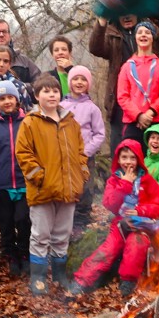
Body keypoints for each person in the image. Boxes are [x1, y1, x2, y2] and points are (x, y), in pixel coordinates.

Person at [15, 75, 89, 296]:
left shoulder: (71, 122)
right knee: (40, 235)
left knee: (62, 234)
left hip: (68, 189)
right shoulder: (30, 122)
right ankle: (37, 278)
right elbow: (23, 153)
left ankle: (59, 274)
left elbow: (80, 151)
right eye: (46, 92)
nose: (52, 95)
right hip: (43, 189)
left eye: (55, 91)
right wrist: (39, 176)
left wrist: (82, 172)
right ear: (37, 96)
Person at [68, 140, 159, 297]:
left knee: (136, 244)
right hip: (120, 224)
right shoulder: (115, 180)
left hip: (142, 226)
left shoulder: (147, 181)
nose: (128, 162)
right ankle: (82, 281)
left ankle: (128, 281)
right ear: (118, 160)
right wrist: (125, 184)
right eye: (124, 157)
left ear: (139, 159)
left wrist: (141, 210)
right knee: (108, 249)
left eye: (132, 158)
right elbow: (109, 203)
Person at [89, 14, 159, 156]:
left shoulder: (152, 30)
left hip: (154, 110)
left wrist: (156, 15)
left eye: (130, 12)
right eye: (122, 13)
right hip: (121, 106)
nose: (127, 16)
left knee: (155, 155)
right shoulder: (112, 35)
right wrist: (101, 22)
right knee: (124, 153)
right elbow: (95, 48)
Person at [0, 81, 32, 276]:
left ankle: (24, 253)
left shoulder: (28, 122)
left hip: (24, 183)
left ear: (17, 99)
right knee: (5, 222)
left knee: (23, 220)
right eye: (2, 99)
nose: (7, 102)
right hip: (2, 184)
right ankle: (10, 254)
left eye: (10, 97)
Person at [61, 65, 106, 236]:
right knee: (66, 189)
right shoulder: (61, 106)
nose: (79, 82)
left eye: (83, 79)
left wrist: (85, 152)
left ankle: (81, 224)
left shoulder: (92, 108)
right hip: (64, 158)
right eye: (75, 79)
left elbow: (99, 134)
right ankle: (65, 224)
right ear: (70, 82)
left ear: (88, 83)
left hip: (85, 158)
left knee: (85, 190)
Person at [116, 21, 159, 147]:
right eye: (140, 32)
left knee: (155, 162)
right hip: (132, 121)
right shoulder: (126, 67)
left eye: (147, 32)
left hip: (155, 120)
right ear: (135, 37)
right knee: (132, 160)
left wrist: (150, 113)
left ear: (153, 37)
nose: (143, 35)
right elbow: (122, 96)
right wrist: (139, 115)